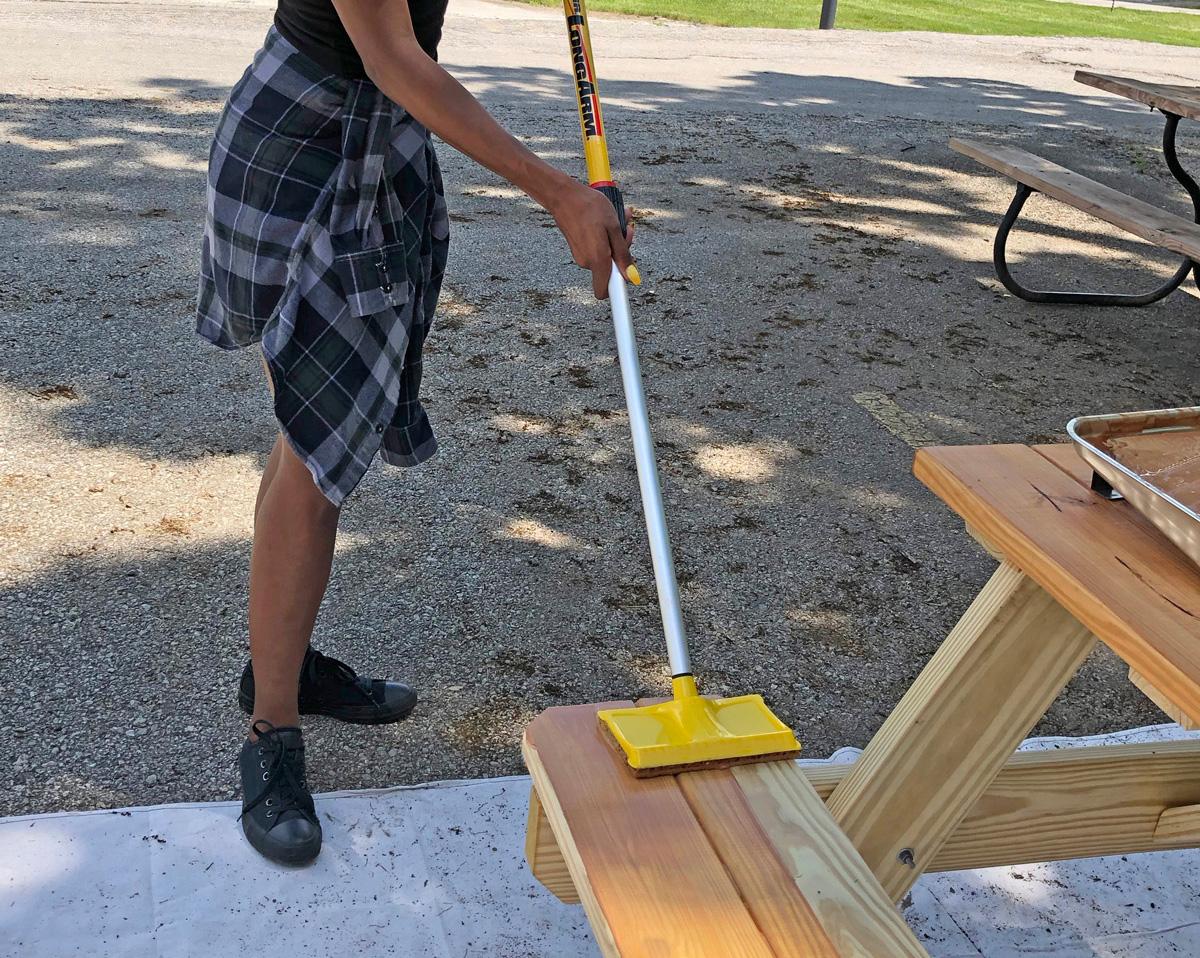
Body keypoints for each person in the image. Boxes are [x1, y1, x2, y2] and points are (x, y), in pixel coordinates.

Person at [196, 0, 636, 865]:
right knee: (316, 456)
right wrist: (559, 192)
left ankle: (282, 662)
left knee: (312, 444)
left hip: (376, 147)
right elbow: (397, 58)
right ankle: (271, 730)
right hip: (305, 155)